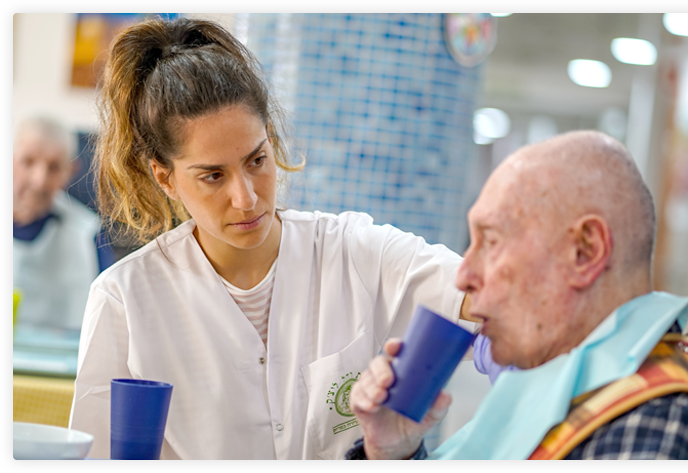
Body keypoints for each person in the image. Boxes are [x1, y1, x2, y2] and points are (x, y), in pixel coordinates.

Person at [68, 17, 477, 460]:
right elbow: (96, 449)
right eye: (212, 176)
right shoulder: (124, 299)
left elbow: (483, 297)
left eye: (257, 160)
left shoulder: (352, 252)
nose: (245, 198)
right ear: (165, 178)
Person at [349, 130, 688, 460]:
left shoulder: (659, 423)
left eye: (491, 241)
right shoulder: (568, 386)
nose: (464, 276)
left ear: (585, 252)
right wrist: (392, 452)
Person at [13, 116, 114, 330]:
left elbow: (111, 312)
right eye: (28, 162)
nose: (39, 180)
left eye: (54, 167)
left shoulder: (89, 233)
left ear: (71, 171)